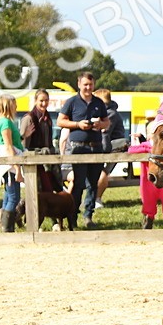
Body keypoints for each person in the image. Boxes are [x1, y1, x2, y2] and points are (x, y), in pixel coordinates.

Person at [56, 71, 110, 230]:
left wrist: (101, 125)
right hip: (78, 147)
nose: (88, 87)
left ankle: (88, 216)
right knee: (78, 184)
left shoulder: (99, 103)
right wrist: (78, 125)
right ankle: (72, 216)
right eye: (85, 84)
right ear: (79, 84)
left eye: (91, 84)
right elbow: (60, 121)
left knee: (93, 184)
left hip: (96, 147)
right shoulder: (71, 102)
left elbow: (107, 121)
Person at [0, 94, 25, 233]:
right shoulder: (5, 122)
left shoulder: (0, 121)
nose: (16, 107)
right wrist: (17, 168)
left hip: (8, 162)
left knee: (8, 196)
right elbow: (8, 146)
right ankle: (7, 227)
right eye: (14, 104)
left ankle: (5, 226)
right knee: (13, 197)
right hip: (10, 164)